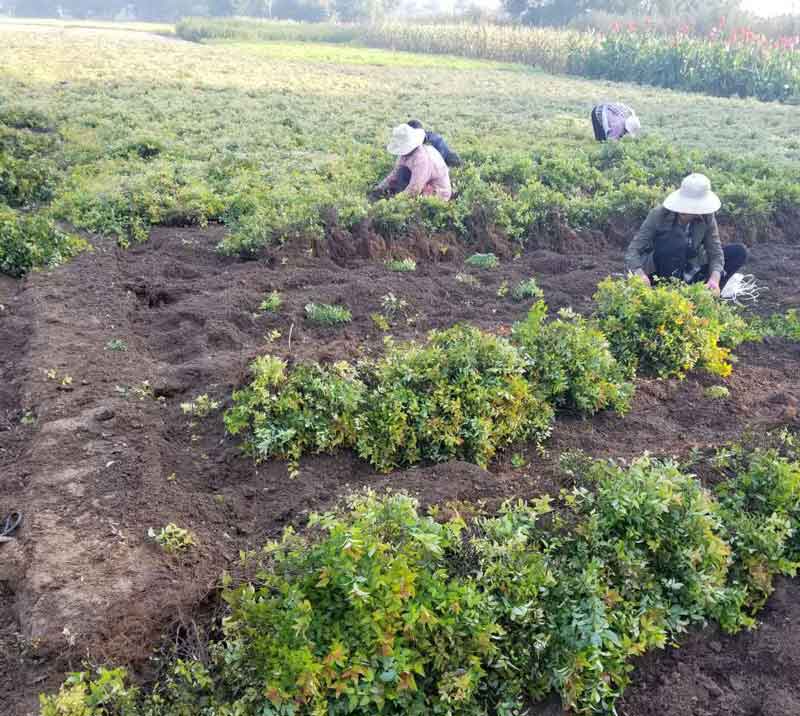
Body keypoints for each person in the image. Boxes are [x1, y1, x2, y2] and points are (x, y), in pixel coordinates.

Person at [625, 173, 748, 295]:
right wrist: (640, 274)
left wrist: (715, 279)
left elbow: (715, 252)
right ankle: (671, 292)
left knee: (738, 252)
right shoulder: (659, 214)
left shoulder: (707, 216)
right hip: (660, 270)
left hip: (689, 266)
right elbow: (633, 251)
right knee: (676, 242)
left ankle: (708, 294)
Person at [374, 124, 452, 201]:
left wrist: (395, 201)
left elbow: (415, 188)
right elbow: (395, 173)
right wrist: (379, 188)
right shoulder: (405, 154)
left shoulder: (421, 158)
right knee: (401, 172)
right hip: (423, 185)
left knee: (403, 175)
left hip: (437, 193)